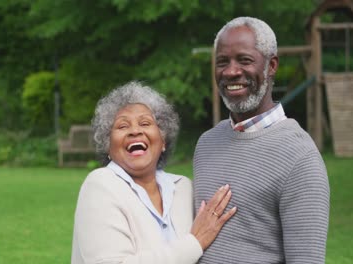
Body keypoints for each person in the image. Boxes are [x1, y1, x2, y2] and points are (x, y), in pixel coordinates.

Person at [193, 17, 330, 264]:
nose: (231, 71)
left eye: (244, 60)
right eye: (222, 62)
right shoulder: (206, 144)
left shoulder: (299, 156)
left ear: (271, 65)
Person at [71, 81, 237, 264]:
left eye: (145, 123)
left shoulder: (184, 187)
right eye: (122, 126)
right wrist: (194, 243)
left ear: (163, 140)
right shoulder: (100, 186)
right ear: (107, 146)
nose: (135, 131)